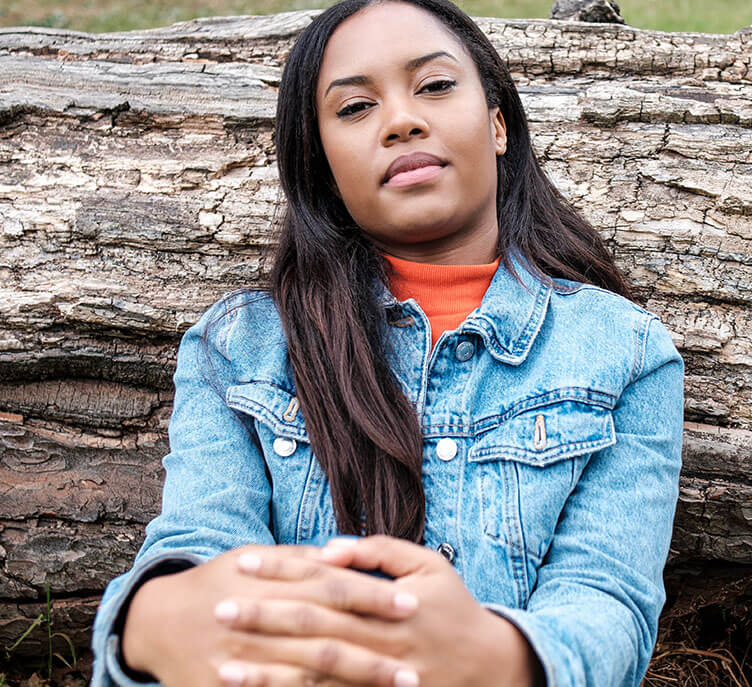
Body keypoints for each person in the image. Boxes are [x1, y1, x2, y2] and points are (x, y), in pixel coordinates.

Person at [88, 0, 684, 685]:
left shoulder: (626, 353)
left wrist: (489, 653)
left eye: (434, 86)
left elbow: (608, 605)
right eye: (354, 108)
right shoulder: (240, 346)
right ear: (324, 167)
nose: (402, 119)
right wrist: (151, 622)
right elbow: (198, 544)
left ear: (497, 123)